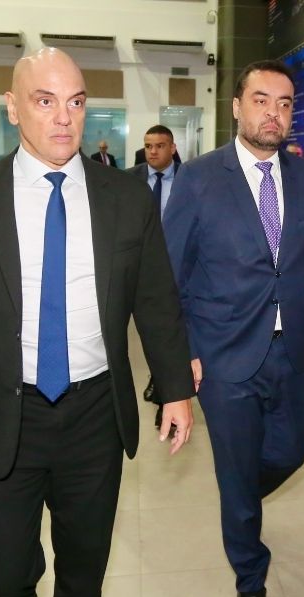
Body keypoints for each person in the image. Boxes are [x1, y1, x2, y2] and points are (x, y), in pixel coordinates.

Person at [0, 47, 195, 597]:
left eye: (76, 102)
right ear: (13, 107)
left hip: (95, 417)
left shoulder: (126, 197)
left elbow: (156, 301)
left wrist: (176, 389)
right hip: (0, 414)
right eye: (45, 102)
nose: (64, 117)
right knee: (4, 577)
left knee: (84, 574)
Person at [163, 59, 304, 597]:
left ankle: (238, 495)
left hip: (294, 348)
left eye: (284, 104)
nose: (273, 113)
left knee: (295, 444)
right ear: (237, 107)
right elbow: (170, 278)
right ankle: (251, 578)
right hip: (223, 355)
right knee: (239, 467)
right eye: (261, 101)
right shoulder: (198, 179)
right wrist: (183, 353)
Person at [128, 124, 180, 427]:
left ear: (172, 148)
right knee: (150, 332)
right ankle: (158, 378)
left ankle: (165, 395)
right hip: (140, 270)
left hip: (177, 269)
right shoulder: (129, 180)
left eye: (160, 146)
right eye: (148, 146)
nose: (153, 151)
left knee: (170, 333)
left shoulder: (189, 179)